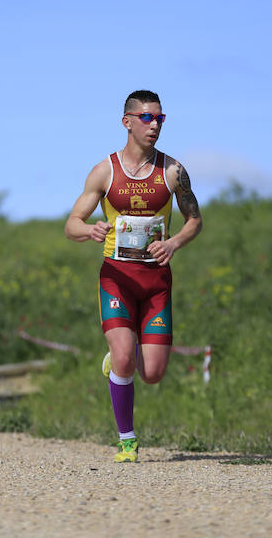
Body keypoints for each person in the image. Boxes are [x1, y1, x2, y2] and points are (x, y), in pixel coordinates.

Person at [65, 89, 203, 462]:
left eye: (159, 118)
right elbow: (71, 225)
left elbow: (195, 220)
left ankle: (119, 361)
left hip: (156, 283)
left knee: (154, 373)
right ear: (127, 122)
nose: (154, 124)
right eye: (146, 117)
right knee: (125, 356)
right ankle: (127, 441)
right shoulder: (105, 172)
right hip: (117, 278)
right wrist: (89, 231)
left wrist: (173, 243)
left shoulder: (173, 171)